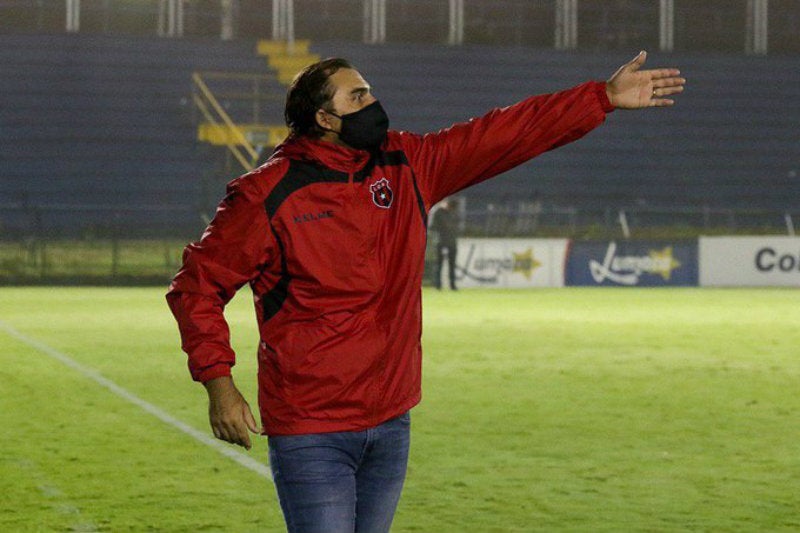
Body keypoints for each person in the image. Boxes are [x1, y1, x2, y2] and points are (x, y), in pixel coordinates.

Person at [166, 51, 684, 533]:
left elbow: (502, 134)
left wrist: (600, 99)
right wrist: (219, 384)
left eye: (369, 92)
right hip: (312, 427)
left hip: (391, 417)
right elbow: (197, 288)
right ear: (324, 119)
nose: (373, 104)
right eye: (357, 97)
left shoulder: (406, 163)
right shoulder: (266, 194)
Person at [430, 198, 459, 290]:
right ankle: (438, 285)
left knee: (452, 265)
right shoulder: (438, 212)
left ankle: (452, 285)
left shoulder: (453, 213)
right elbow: (432, 226)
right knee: (439, 264)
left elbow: (455, 227)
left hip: (452, 243)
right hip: (441, 243)